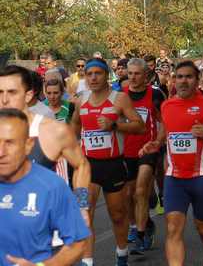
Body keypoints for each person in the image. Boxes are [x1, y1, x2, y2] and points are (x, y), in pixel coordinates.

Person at [139, 60, 203, 266]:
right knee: (172, 227)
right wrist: (155, 143)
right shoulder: (167, 104)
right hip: (175, 177)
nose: (183, 81)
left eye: (188, 77)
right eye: (179, 77)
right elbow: (166, 132)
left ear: (197, 80)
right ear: (174, 80)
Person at [70, 58, 146, 266]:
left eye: (98, 73)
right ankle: (87, 262)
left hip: (113, 165)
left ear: (106, 76)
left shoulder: (119, 99)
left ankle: (122, 255)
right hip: (87, 167)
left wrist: (115, 126)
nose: (93, 77)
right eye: (89, 74)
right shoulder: (80, 101)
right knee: (85, 214)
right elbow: (73, 129)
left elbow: (140, 127)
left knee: (118, 215)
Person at [0, 108, 90, 266]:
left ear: (28, 145)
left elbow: (78, 243)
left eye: (10, 143)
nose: (1, 151)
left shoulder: (52, 186)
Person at [0, 65, 91, 220]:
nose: (4, 100)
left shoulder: (54, 131)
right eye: (0, 92)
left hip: (47, 221)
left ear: (28, 95)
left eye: (12, 92)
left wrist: (81, 205)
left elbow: (81, 165)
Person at [122, 58, 165, 254]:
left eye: (137, 73)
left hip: (148, 150)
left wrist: (158, 142)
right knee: (129, 195)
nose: (132, 77)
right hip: (126, 151)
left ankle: (139, 235)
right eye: (130, 73)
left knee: (140, 191)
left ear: (146, 75)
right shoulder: (120, 96)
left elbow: (164, 121)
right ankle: (141, 225)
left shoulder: (155, 94)